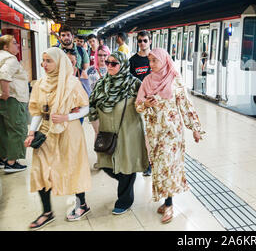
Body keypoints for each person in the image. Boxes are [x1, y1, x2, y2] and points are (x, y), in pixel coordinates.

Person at [24, 47, 92, 230]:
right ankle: (47, 212)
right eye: (43, 60)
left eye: (48, 61)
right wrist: (31, 132)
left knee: (73, 166)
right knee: (40, 169)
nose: (43, 64)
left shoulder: (72, 83)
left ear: (59, 62)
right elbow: (38, 111)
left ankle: (82, 204)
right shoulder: (40, 84)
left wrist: (67, 117)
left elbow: (86, 107)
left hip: (69, 131)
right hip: (46, 131)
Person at [136, 48, 204, 224]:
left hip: (172, 133)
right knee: (159, 167)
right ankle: (165, 197)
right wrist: (146, 104)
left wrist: (195, 128)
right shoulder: (147, 81)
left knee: (168, 165)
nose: (150, 64)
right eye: (149, 61)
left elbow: (186, 106)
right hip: (153, 133)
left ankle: (169, 204)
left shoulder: (175, 80)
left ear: (164, 60)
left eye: (154, 61)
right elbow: (138, 106)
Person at [88, 51, 149, 215]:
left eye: (113, 64)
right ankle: (126, 184)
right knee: (107, 165)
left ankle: (124, 201)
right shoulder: (102, 83)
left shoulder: (134, 84)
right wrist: (94, 121)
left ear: (123, 65)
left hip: (129, 133)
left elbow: (144, 105)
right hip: (108, 132)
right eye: (107, 62)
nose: (109, 66)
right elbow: (92, 102)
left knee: (127, 166)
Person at [0, 35, 28, 172]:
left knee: (4, 130)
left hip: (4, 101)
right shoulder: (10, 59)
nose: (17, 45)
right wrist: (5, 92)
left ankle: (4, 158)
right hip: (14, 99)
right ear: (5, 47)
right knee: (17, 129)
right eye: (14, 43)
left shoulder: (1, 57)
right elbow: (4, 74)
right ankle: (11, 163)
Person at [129, 31, 152, 176]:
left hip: (153, 101)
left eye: (145, 40)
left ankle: (150, 161)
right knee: (143, 134)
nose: (142, 43)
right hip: (140, 101)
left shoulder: (154, 58)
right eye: (140, 41)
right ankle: (146, 163)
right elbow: (130, 81)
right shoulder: (133, 61)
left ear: (150, 41)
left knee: (150, 134)